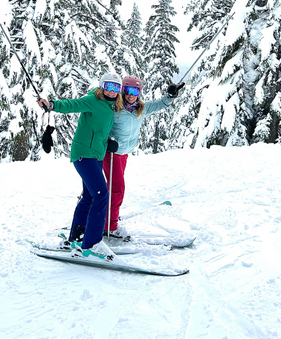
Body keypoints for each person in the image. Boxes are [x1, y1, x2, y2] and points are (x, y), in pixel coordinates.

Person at [37, 72, 124, 261]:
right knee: (102, 195)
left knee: (89, 196)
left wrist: (106, 142)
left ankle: (76, 239)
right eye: (108, 86)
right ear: (102, 86)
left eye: (115, 88)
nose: (111, 91)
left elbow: (97, 129)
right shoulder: (93, 99)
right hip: (84, 155)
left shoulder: (111, 107)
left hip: (96, 155)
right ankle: (91, 244)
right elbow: (72, 105)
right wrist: (51, 105)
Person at [103, 76, 184, 238]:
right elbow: (98, 123)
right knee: (117, 189)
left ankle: (106, 217)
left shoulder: (140, 108)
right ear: (122, 91)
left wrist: (170, 95)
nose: (131, 95)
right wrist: (106, 140)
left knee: (113, 188)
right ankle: (109, 226)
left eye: (135, 91)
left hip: (123, 154)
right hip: (111, 153)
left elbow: (160, 104)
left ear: (139, 92)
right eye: (127, 91)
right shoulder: (114, 109)